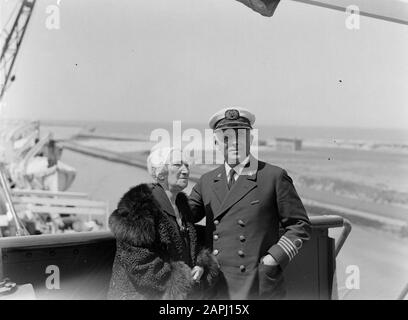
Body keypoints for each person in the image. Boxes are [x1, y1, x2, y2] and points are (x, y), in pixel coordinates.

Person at [189, 107, 311, 299]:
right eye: (226, 137)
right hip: (216, 285)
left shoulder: (273, 176)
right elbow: (184, 218)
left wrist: (274, 259)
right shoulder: (207, 181)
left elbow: (300, 225)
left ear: (251, 140)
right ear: (216, 142)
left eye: (241, 136)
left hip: (256, 284)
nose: (234, 142)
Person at [108, 147, 219, 300]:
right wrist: (183, 279)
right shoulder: (138, 206)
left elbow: (188, 247)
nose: (185, 171)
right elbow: (139, 263)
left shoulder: (182, 206)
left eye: (187, 165)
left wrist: (200, 264)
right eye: (177, 165)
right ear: (160, 171)